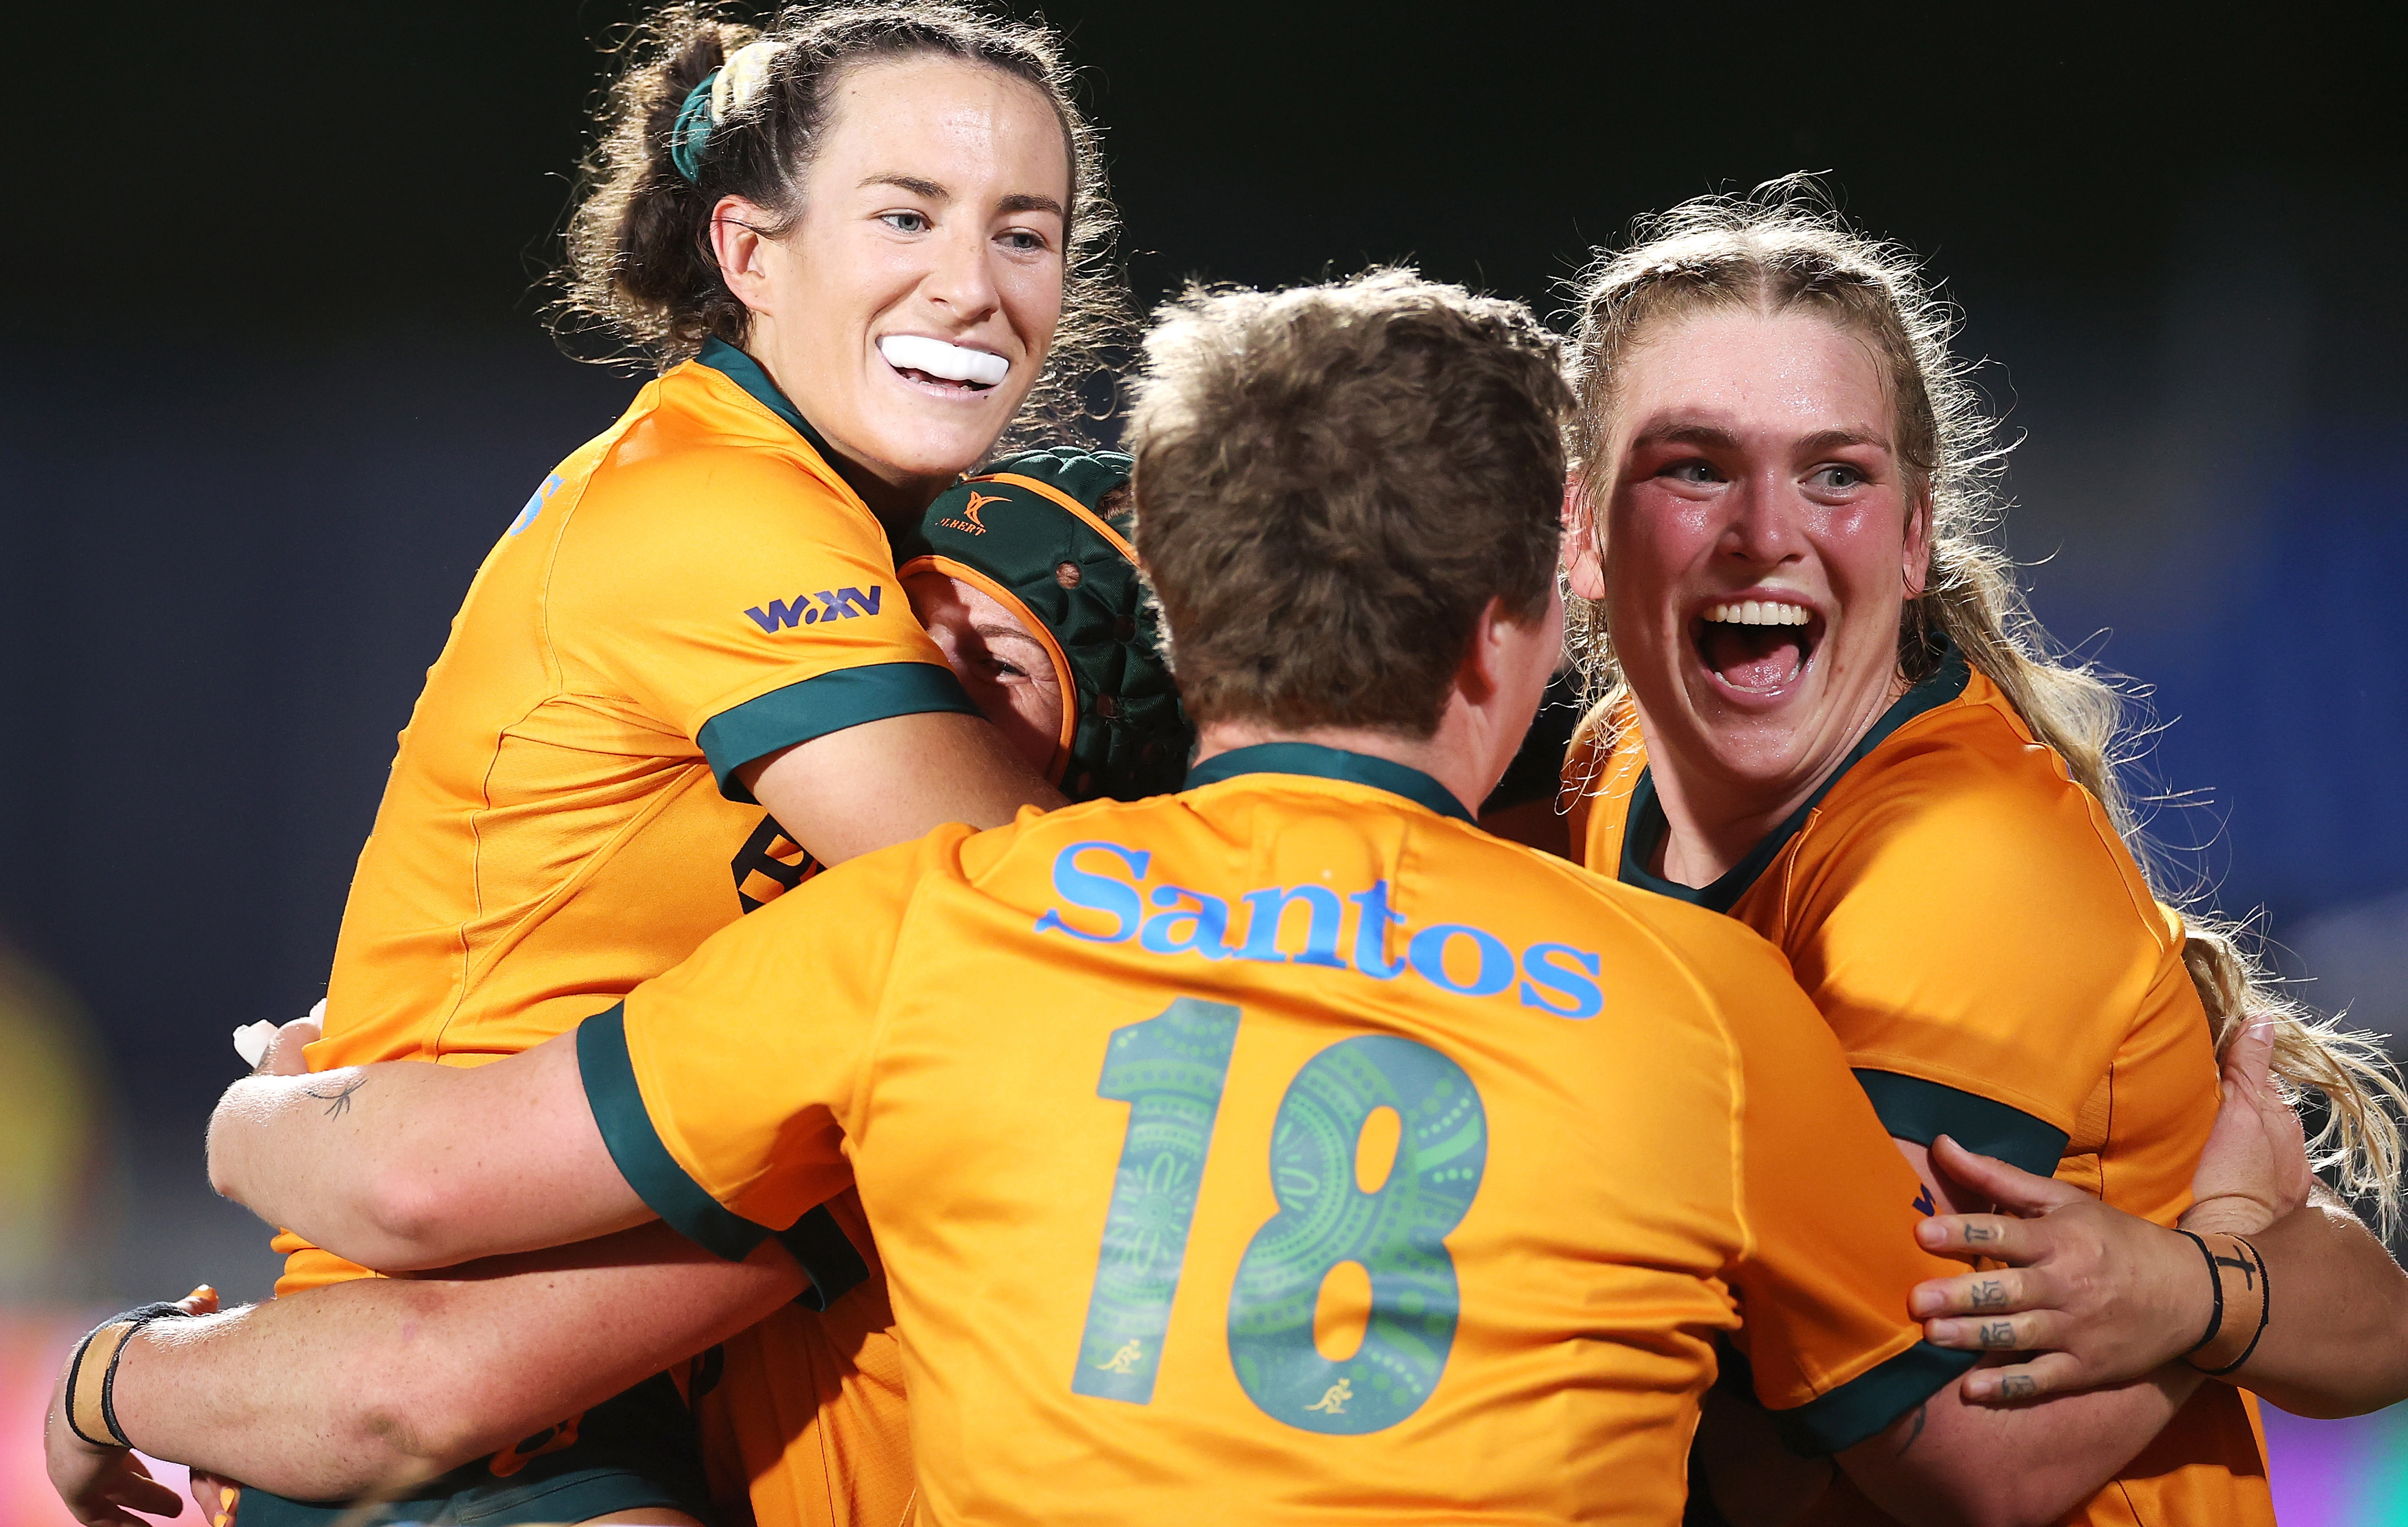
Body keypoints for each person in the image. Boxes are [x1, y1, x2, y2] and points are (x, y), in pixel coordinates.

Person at [198, 270, 2257, 1526]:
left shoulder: (942, 923)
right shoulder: (1695, 998)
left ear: (1169, 601)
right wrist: (2226, 1249)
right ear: (1518, 626)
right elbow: (1973, 1465)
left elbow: (406, 1202)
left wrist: (273, 1099)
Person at [46, 0, 1132, 1527]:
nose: (971, 282)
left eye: (1025, 232)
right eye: (908, 214)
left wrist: (252, 1162)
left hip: (604, 1321)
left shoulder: (870, 531)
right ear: (749, 251)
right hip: (462, 1401)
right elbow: (1032, 915)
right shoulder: (722, 505)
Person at [1546, 183, 2408, 1525]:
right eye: (1693, 465)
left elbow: (1965, 1454)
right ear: (1579, 531)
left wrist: (2218, 1257)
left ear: (1911, 537)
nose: (1764, 528)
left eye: (1834, 472)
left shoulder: (1955, 860)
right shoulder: (1613, 767)